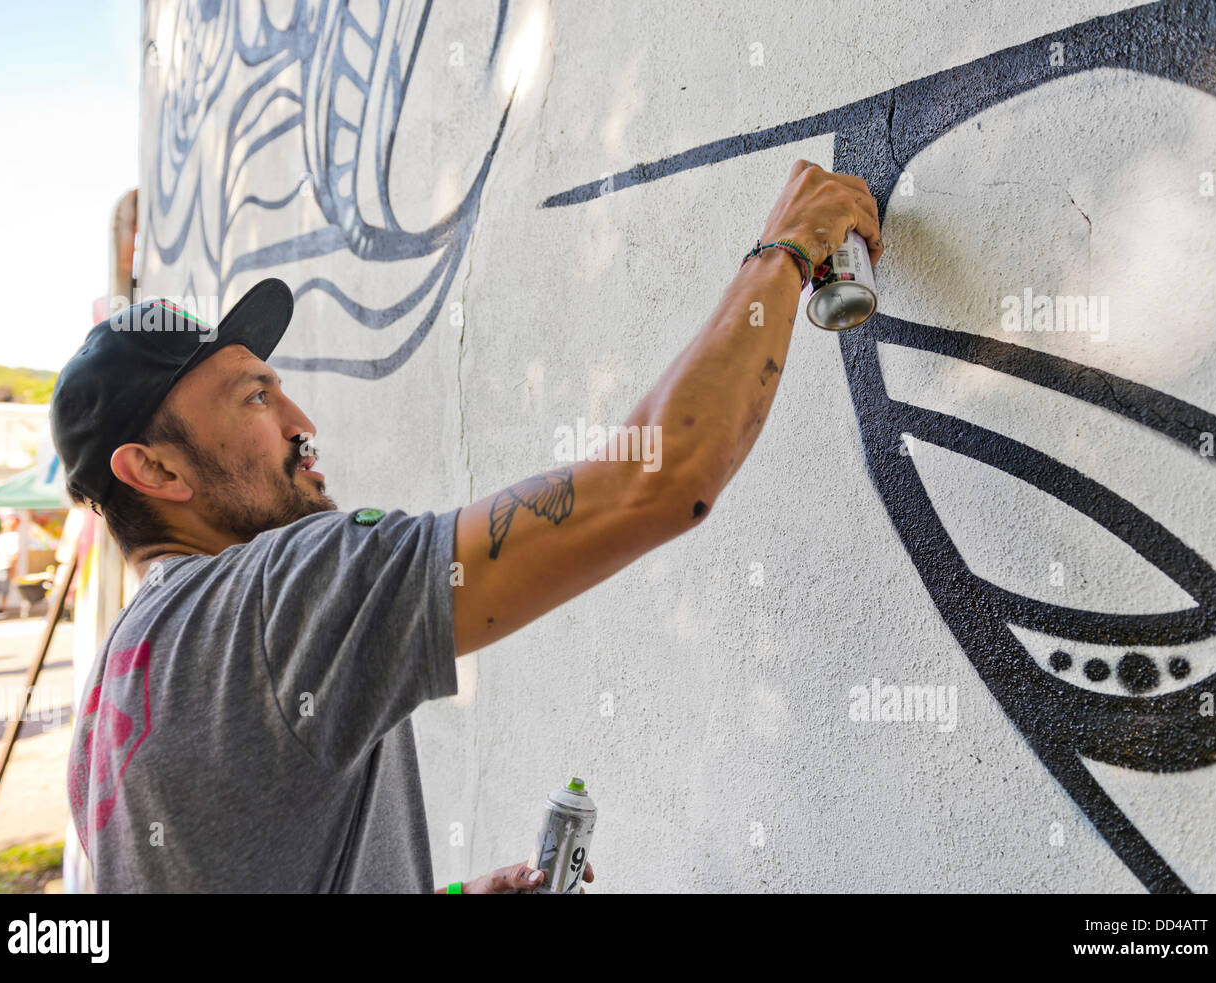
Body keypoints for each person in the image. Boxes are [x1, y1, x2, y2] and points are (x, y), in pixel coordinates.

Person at [52, 160, 880, 893]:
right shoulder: (278, 596)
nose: (302, 420)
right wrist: (787, 251)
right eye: (256, 396)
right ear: (156, 471)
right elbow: (657, 483)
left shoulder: (107, 704)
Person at [0, 515, 21, 617]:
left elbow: (14, 555)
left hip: (4, 566)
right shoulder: (1, 535)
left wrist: (12, 568)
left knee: (2, 589)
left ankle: (0, 609)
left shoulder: (14, 536)